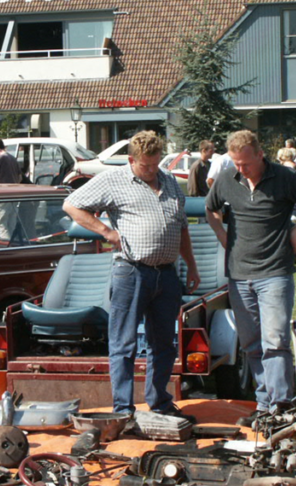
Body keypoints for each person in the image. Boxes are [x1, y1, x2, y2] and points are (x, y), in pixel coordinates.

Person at [64, 130, 200, 417]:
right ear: (131, 159)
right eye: (145, 165)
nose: (151, 170)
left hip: (166, 274)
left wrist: (191, 264)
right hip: (131, 272)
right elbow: (71, 205)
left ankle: (160, 403)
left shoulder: (171, 182)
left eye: (155, 163)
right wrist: (106, 231)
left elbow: (181, 227)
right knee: (124, 343)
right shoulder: (113, 180)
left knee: (164, 343)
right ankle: (123, 410)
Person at [205, 130, 296, 420]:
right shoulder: (227, 178)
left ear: (260, 154)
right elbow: (211, 208)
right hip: (238, 274)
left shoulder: (285, 178)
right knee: (251, 343)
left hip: (275, 272)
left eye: (246, 164)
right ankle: (264, 406)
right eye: (236, 163)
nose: (241, 169)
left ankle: (281, 405)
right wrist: (222, 234)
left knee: (275, 341)